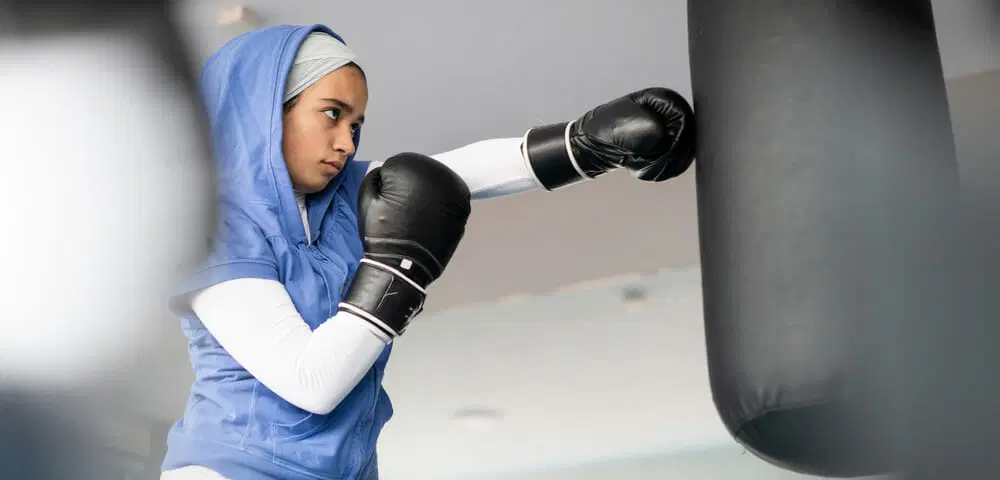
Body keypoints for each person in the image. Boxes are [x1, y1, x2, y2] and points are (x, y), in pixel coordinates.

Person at [161, 24, 695, 480]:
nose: (346, 141)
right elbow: (310, 382)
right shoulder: (212, 227)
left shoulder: (341, 197)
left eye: (356, 125)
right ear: (266, 112)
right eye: (331, 114)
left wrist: (585, 144)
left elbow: (454, 172)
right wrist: (399, 269)